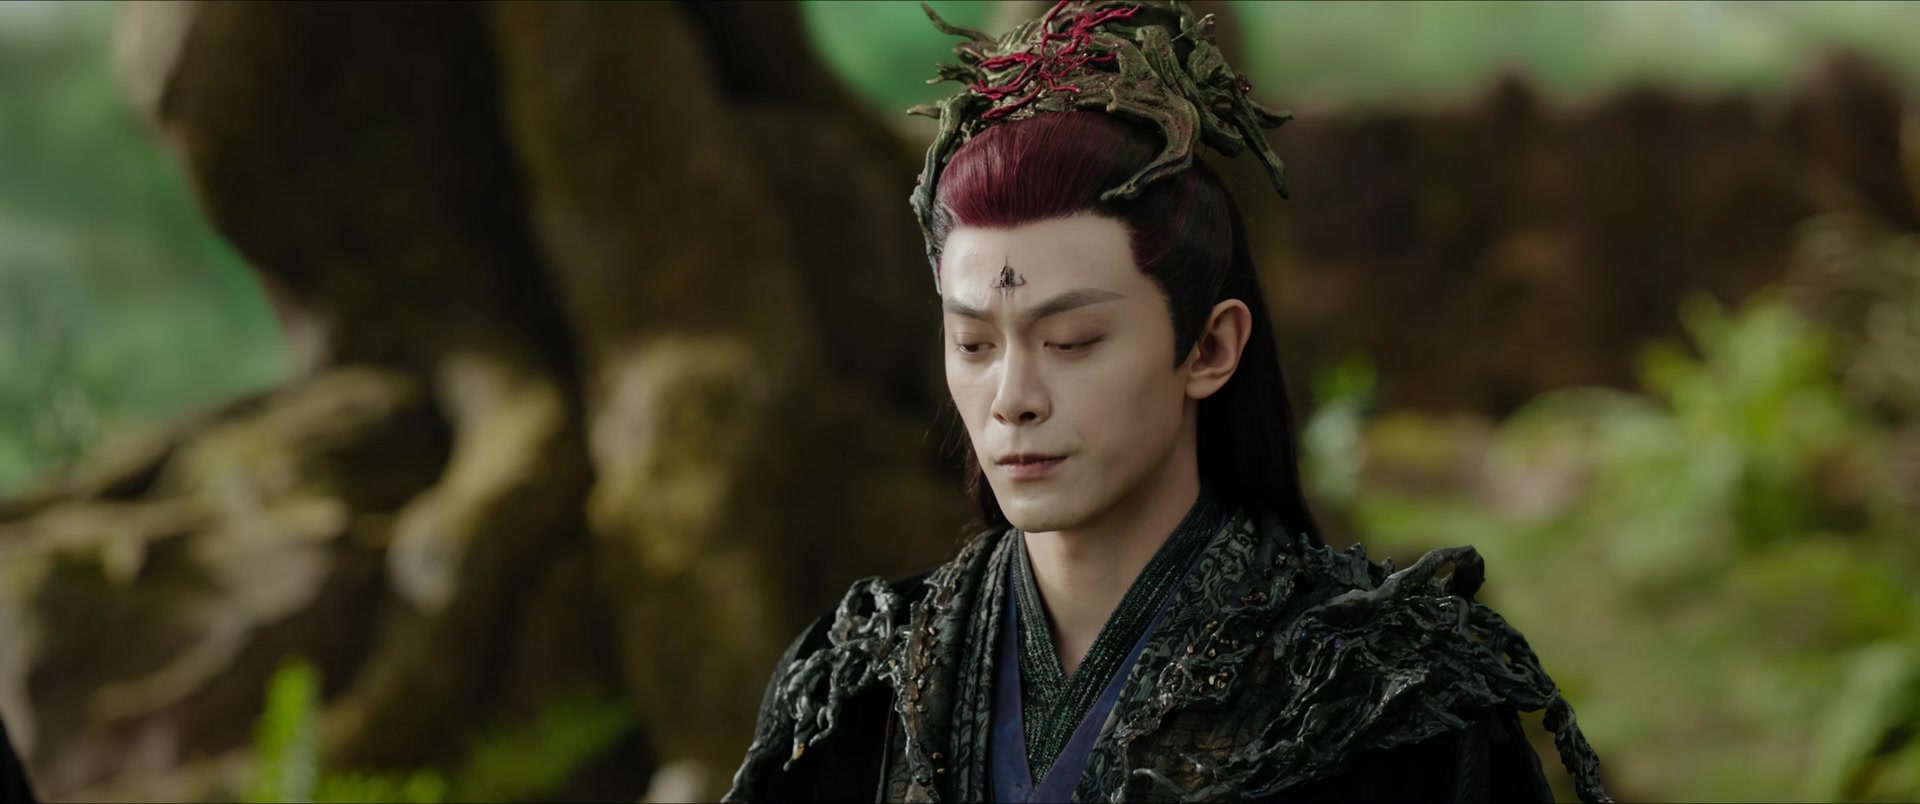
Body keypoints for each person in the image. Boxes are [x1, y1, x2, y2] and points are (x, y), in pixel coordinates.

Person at [726, 1, 1611, 801]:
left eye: (1072, 341)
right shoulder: (861, 686)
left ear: (1211, 347)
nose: (1013, 399)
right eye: (975, 345)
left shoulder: (1383, 699)